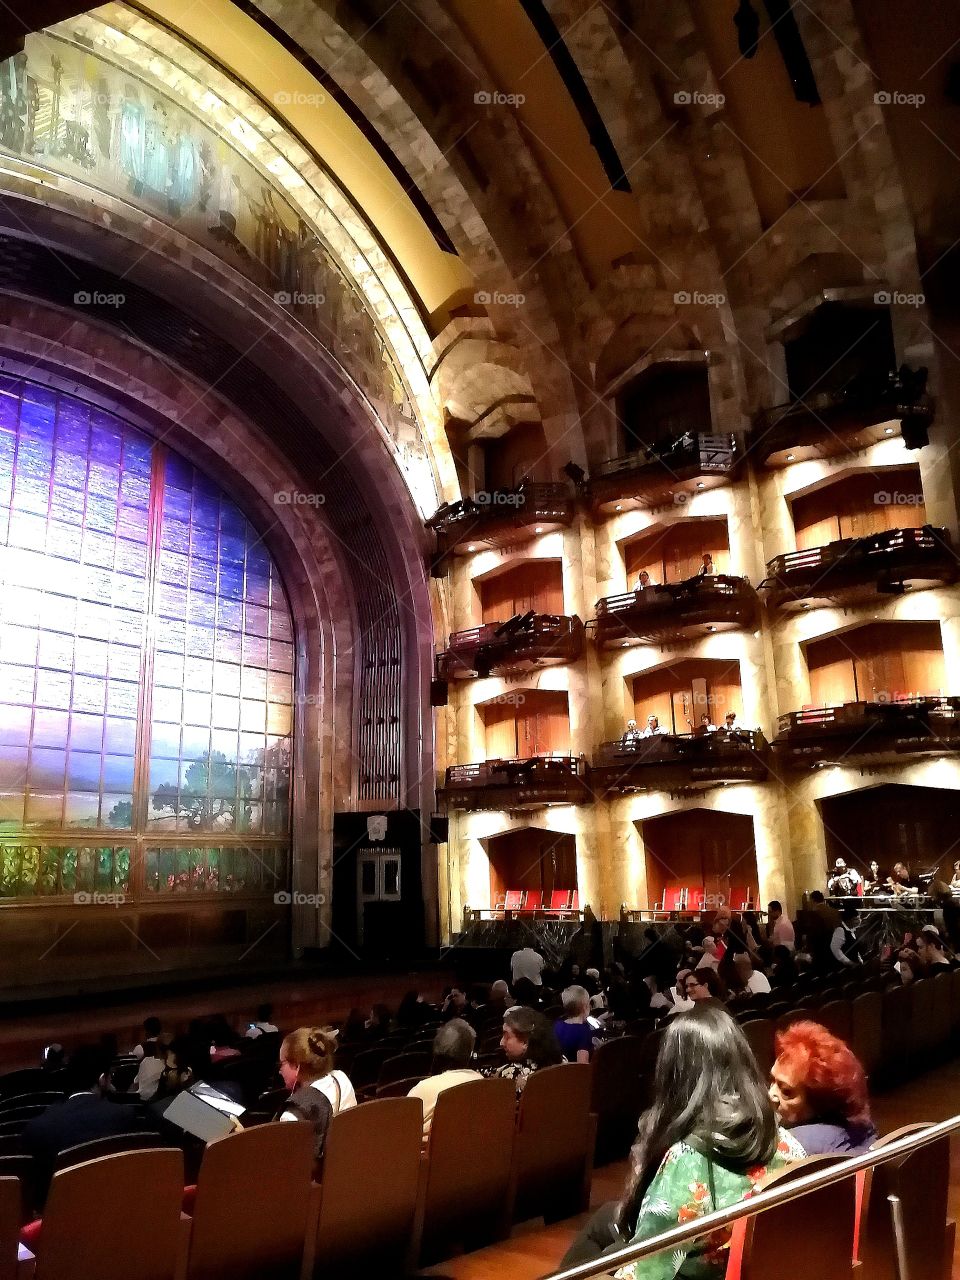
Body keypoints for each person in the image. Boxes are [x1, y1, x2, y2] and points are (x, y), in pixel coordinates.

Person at [558, 1005, 804, 1276]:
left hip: (701, 1270)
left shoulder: (687, 1161)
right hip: (754, 1267)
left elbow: (648, 1271)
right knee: (606, 1218)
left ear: (675, 1075)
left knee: (604, 1256)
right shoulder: (785, 1141)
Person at [23, 1047, 159, 1207]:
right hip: (114, 1205)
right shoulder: (124, 1115)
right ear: (102, 1079)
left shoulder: (38, 1127)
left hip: (58, 1213)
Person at [769, 1021, 878, 1154]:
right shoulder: (866, 1128)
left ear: (819, 1103)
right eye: (772, 1081)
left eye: (786, 1091)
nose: (771, 1094)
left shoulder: (792, 1146)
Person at [407, 1019, 481, 1144]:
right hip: (472, 1151)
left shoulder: (423, 1089)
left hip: (429, 1159)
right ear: (469, 1053)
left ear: (436, 1053)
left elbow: (402, 1131)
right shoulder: (481, 1080)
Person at [278, 1026, 357, 1118]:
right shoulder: (341, 1078)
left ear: (296, 1066)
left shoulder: (292, 1115)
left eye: (282, 1063)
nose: (280, 1071)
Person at [490, 1007, 563, 1096]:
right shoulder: (564, 1063)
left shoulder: (509, 1078)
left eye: (507, 1036)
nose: (501, 1043)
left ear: (525, 1042)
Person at [554, 985, 594, 1063]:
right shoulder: (583, 1031)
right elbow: (582, 1065)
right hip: (572, 1073)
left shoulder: (557, 1025)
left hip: (557, 1072)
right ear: (584, 1007)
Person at [830, 905, 861, 969]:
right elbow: (835, 949)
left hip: (854, 966)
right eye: (855, 919)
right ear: (848, 920)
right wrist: (849, 962)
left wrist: (859, 959)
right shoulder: (840, 930)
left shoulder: (852, 930)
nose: (858, 921)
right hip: (844, 968)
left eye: (859, 918)